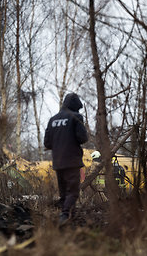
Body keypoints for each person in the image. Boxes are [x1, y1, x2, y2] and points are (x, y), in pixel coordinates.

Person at [44, 93, 88, 226]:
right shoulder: (76, 117)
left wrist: (59, 143)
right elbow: (83, 138)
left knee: (64, 194)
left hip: (58, 162)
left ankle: (69, 222)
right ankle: (64, 216)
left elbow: (47, 143)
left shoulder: (53, 119)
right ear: (75, 105)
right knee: (73, 192)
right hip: (72, 161)